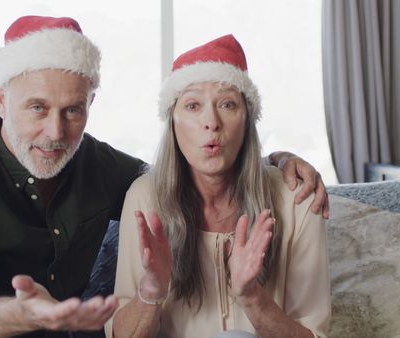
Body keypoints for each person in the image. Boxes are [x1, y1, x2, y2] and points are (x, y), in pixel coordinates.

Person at [0, 16, 329, 338]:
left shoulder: (102, 168)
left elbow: (191, 170)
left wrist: (273, 158)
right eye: (37, 107)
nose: (56, 132)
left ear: (89, 105)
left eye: (73, 111)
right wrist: (29, 315)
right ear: (1, 99)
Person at [108, 35, 331, 338]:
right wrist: (152, 289)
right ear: (172, 122)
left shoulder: (297, 199)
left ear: (247, 120)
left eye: (227, 104)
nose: (211, 122)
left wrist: (252, 297)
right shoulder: (144, 197)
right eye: (192, 105)